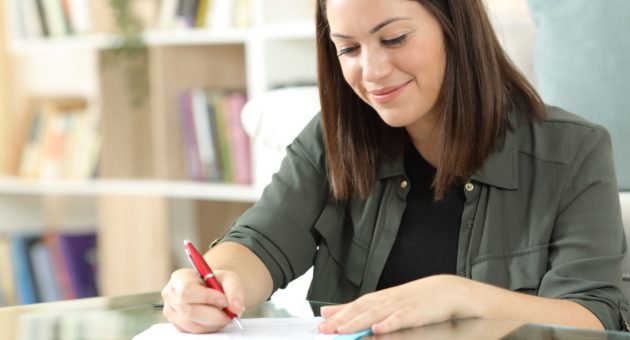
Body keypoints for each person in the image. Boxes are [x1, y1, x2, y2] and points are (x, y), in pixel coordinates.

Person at [161, 0, 629, 334]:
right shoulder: (333, 138)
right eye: (348, 48)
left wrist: (459, 296)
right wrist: (217, 284)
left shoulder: (574, 151)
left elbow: (596, 318)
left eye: (394, 38)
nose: (373, 70)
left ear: (454, 26)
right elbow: (260, 243)